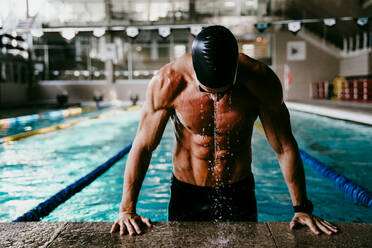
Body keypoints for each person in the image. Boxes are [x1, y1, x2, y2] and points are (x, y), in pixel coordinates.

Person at [110, 25, 338, 236]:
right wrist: (127, 209)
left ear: (235, 71)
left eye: (223, 91)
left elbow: (284, 146)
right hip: (187, 193)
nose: (216, 98)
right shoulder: (169, 82)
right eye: (207, 91)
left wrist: (302, 208)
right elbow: (143, 145)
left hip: (238, 192)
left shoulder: (260, 80)